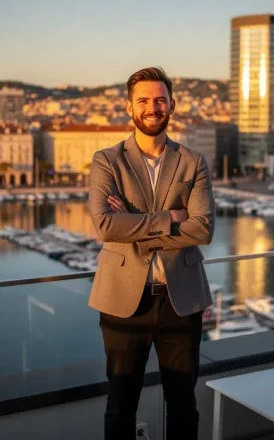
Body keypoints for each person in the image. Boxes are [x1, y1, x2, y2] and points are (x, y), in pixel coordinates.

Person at [87, 66, 215, 440]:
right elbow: (106, 226)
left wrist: (136, 224)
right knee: (120, 407)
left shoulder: (193, 161)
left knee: (183, 405)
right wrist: (172, 218)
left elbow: (202, 229)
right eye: (143, 100)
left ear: (172, 105)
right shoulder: (106, 160)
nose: (152, 107)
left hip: (181, 301)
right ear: (129, 107)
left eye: (160, 99)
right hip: (123, 300)